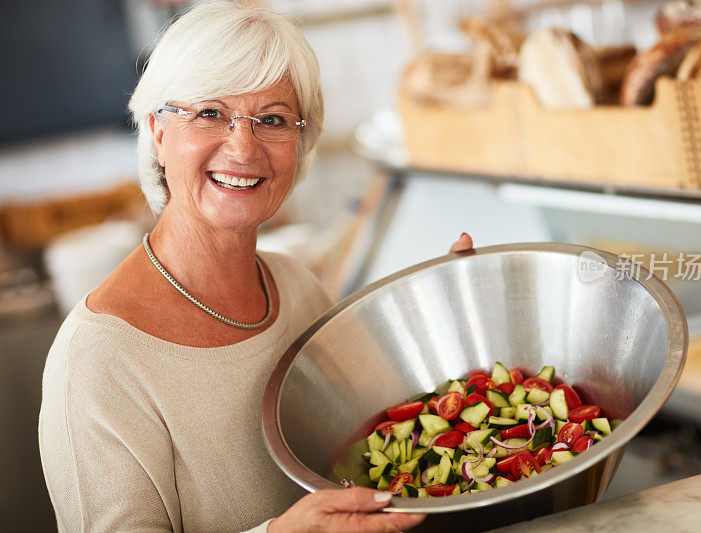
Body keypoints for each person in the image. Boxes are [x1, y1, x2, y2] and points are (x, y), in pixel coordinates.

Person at [38, 1, 472, 531]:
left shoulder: (295, 287)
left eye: (271, 120)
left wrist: (443, 316)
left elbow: (373, 437)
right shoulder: (97, 359)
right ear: (156, 130)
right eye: (209, 113)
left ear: (300, 142)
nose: (243, 147)